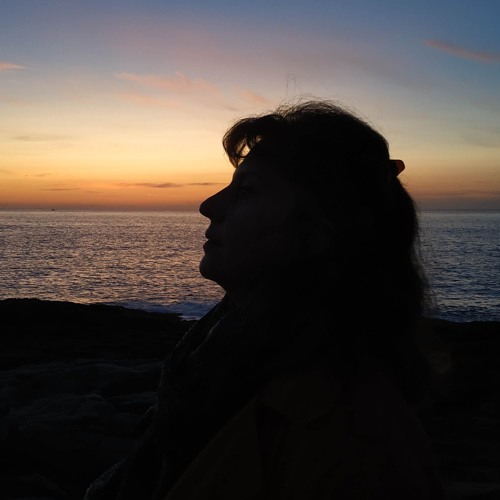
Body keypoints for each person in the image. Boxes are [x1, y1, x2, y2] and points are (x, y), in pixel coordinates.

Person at [85, 99, 445, 499]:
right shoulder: (222, 364)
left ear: (315, 235)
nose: (209, 206)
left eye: (247, 191)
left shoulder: (351, 444)